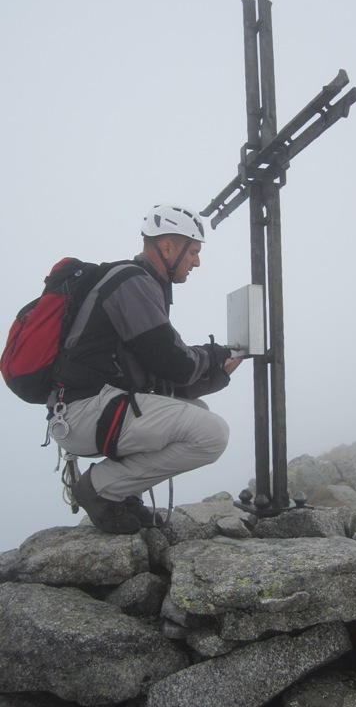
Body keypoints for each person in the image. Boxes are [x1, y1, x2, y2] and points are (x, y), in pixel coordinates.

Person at [47, 205, 242, 535]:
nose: (197, 261)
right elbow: (176, 365)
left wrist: (218, 374)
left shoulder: (142, 283)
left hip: (91, 409)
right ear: (167, 247)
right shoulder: (133, 283)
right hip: (86, 410)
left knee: (197, 412)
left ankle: (123, 493)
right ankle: (99, 487)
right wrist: (213, 355)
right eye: (193, 251)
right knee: (212, 435)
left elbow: (162, 380)